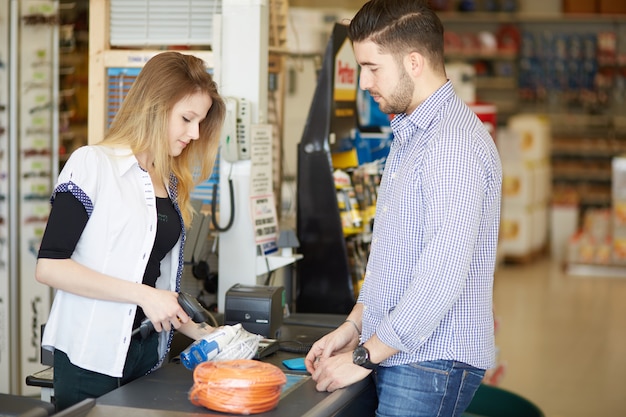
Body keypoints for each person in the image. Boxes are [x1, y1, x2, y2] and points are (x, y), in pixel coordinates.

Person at [304, 1, 503, 416]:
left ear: (413, 62)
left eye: (372, 67)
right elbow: (393, 261)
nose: (363, 82)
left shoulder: (451, 145)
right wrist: (353, 328)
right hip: (400, 352)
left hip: (432, 362)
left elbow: (440, 278)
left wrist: (361, 358)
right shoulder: (411, 133)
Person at [36, 51, 226, 411]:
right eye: (187, 119)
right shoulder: (92, 164)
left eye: (200, 122)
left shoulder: (169, 181)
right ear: (155, 106)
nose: (194, 133)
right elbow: (50, 266)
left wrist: (204, 333)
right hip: (90, 357)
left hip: (145, 352)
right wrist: (144, 296)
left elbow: (156, 284)